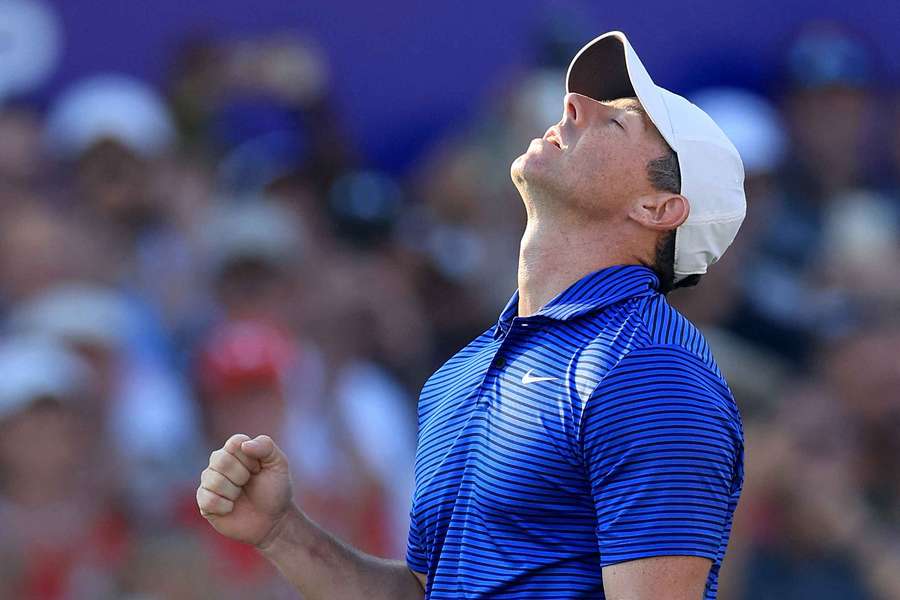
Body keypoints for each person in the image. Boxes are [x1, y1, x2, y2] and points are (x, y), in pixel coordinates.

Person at [196, 31, 746, 599]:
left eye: (616, 122)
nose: (572, 105)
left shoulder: (653, 373)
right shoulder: (459, 373)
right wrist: (284, 534)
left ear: (658, 208)